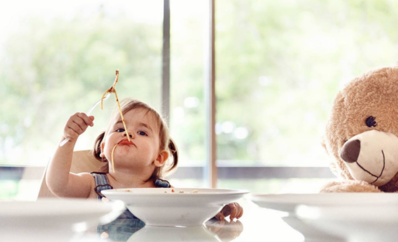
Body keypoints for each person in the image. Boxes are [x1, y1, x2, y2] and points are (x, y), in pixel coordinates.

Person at [46, 98, 243, 221]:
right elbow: (58, 184)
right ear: (103, 148)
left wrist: (216, 209)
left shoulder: (167, 194)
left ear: (159, 157)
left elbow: (191, 216)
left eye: (141, 132)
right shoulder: (91, 184)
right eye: (120, 129)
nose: (128, 133)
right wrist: (69, 138)